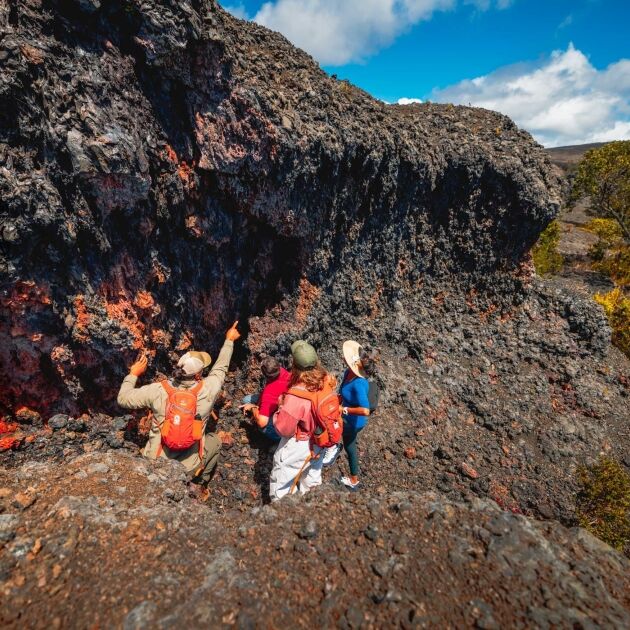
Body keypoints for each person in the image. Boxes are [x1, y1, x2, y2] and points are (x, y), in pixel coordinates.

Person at [117, 321, 241, 498]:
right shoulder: (208, 389)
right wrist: (229, 340)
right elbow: (220, 369)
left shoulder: (158, 390)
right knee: (215, 441)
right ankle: (199, 483)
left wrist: (133, 375)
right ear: (198, 374)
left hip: (155, 464)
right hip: (188, 468)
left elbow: (123, 399)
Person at [268, 340, 328, 501]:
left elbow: (283, 429)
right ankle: (311, 512)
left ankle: (282, 519)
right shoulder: (325, 380)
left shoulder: (296, 395)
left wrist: (280, 409)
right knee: (311, 481)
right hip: (321, 439)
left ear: (294, 364)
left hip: (301, 443)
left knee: (281, 484)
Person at [324, 340, 378, 491]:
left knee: (330, 427)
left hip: (354, 420)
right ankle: (354, 480)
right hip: (348, 415)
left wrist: (344, 409)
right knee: (350, 446)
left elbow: (365, 410)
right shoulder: (348, 372)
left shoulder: (359, 383)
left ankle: (332, 447)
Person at [239, 357, 290, 442]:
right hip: (283, 402)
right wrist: (257, 406)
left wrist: (253, 408)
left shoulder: (269, 393)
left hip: (285, 423)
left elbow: (262, 423)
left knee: (261, 426)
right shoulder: (282, 371)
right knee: (247, 400)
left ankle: (281, 440)